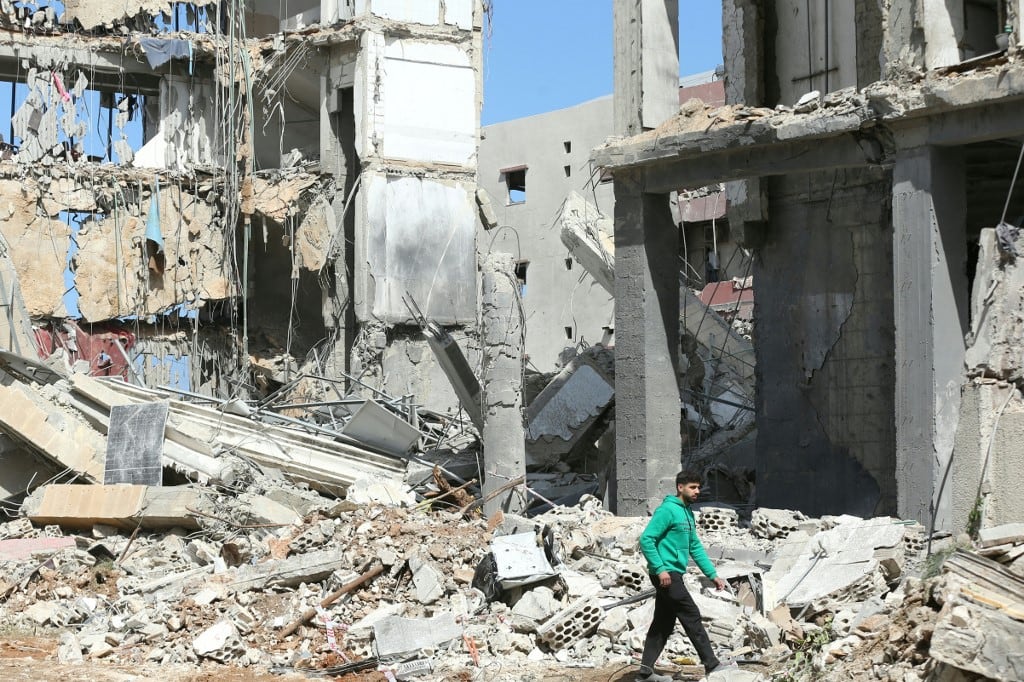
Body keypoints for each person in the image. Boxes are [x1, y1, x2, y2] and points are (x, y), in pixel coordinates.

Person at [635, 470, 735, 681]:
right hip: (666, 574)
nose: (697, 491)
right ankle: (712, 664)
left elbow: (695, 546)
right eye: (693, 487)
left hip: (673, 574)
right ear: (680, 487)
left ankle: (644, 673)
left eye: (699, 487)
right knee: (691, 615)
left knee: (663, 622)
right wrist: (660, 568)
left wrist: (712, 575)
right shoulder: (667, 510)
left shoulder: (688, 513)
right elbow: (646, 539)